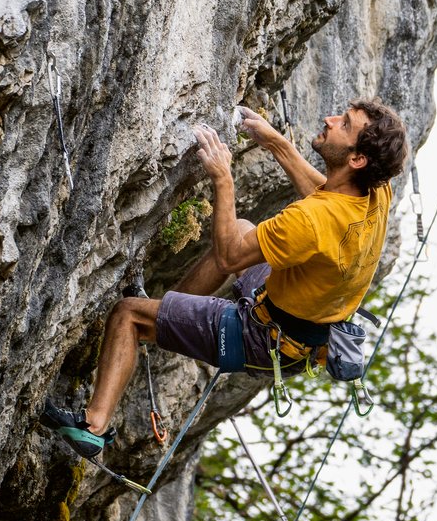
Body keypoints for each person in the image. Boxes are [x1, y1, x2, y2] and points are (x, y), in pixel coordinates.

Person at [41, 98, 409, 459]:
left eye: (343, 124)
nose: (330, 120)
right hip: (306, 330)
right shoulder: (377, 192)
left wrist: (223, 177)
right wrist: (277, 143)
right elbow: (325, 197)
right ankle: (170, 310)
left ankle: (94, 427)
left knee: (127, 314)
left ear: (357, 159)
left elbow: (230, 255)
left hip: (264, 338)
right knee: (247, 228)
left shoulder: (311, 221)